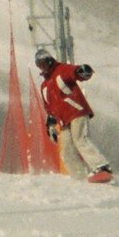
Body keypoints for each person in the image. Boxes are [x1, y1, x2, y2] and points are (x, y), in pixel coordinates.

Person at [36, 46, 112, 183]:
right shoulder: (44, 86)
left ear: (50, 60)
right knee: (65, 150)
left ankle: (102, 167)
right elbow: (49, 107)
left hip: (76, 111)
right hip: (63, 120)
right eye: (40, 65)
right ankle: (80, 178)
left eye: (45, 62)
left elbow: (73, 72)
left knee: (79, 139)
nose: (43, 67)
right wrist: (51, 124)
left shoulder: (61, 70)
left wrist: (81, 71)